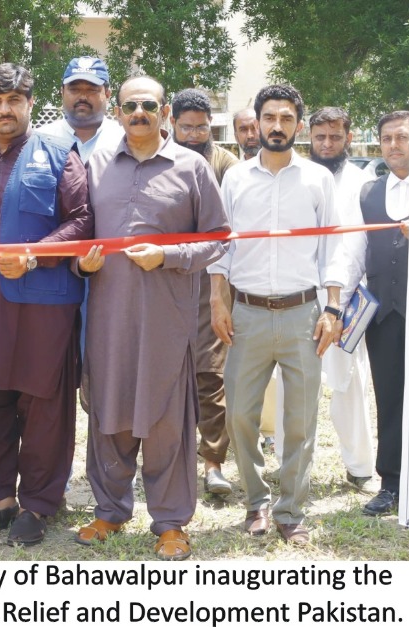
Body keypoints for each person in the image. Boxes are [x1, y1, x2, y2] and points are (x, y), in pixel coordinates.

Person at [73, 76, 228, 560]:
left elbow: (219, 237)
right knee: (110, 414)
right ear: (116, 111)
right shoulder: (94, 164)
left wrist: (169, 258)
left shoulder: (192, 167)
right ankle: (110, 510)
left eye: (148, 105)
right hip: (108, 318)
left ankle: (170, 522)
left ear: (164, 111)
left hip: (167, 318)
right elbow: (77, 234)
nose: (138, 112)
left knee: (165, 420)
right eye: (129, 105)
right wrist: (83, 263)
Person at [0, 63, 91, 546]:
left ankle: (37, 503)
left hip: (44, 301)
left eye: (14, 100)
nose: (5, 110)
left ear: (31, 104)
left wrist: (32, 257)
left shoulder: (60, 155)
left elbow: (82, 222)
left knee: (43, 403)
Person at [208, 84, 349, 546]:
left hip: (302, 314)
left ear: (298, 126)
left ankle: (291, 508)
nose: (276, 126)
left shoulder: (317, 180)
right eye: (269, 117)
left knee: (300, 420)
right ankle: (256, 501)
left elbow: (332, 248)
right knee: (242, 415)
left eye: (286, 118)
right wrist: (217, 299)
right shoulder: (236, 178)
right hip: (245, 314)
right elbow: (222, 247)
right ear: (258, 121)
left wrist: (331, 308)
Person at [170, 87, 240, 496]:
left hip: (210, 279)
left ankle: (213, 463)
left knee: (210, 372)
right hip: (162, 276)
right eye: (187, 127)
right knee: (165, 371)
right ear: (172, 123)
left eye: (202, 127)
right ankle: (167, 458)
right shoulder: (160, 157)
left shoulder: (225, 163)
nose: (195, 134)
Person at [306, 106, 374, 490]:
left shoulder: (362, 181)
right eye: (320, 137)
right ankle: (292, 465)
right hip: (297, 298)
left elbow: (356, 245)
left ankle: (360, 468)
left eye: (335, 136)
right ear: (309, 137)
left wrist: (340, 304)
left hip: (345, 303)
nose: (327, 144)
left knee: (349, 385)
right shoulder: (299, 176)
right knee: (294, 385)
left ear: (349, 138)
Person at [357, 110, 409, 518]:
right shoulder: (367, 193)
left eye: (403, 137)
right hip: (383, 316)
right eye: (387, 139)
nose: (394, 145)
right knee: (390, 398)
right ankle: (391, 482)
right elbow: (353, 253)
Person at [35, 56, 123, 162]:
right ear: (62, 92)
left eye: (92, 90)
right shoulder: (40, 141)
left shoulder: (123, 140)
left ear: (108, 95)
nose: (83, 97)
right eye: (74, 89)